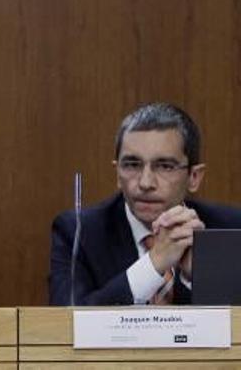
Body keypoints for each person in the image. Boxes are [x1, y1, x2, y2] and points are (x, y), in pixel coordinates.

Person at [49, 103, 241, 305]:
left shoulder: (231, 228)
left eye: (165, 166)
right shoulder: (78, 231)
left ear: (194, 177)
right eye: (132, 165)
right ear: (117, 172)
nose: (145, 183)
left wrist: (202, 278)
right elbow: (67, 323)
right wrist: (154, 263)